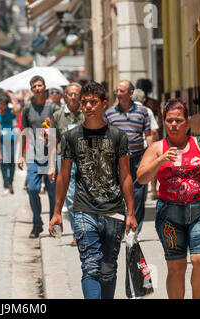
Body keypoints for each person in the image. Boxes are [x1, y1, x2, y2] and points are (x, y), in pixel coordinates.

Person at [49, 81, 138, 299]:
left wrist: (131, 212)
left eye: (93, 102)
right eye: (84, 102)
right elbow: (63, 175)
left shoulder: (118, 136)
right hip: (83, 210)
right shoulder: (72, 137)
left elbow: (126, 176)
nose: (88, 106)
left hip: (114, 211)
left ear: (104, 104)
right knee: (90, 265)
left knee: (108, 270)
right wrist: (57, 212)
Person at [137, 98, 200, 299]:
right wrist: (160, 160)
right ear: (164, 122)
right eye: (169, 120)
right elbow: (142, 177)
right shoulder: (158, 148)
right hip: (169, 215)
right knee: (176, 267)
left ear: (187, 121)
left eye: (178, 120)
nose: (174, 125)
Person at [105, 80, 152, 234]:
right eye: (117, 91)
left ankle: (134, 230)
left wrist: (151, 156)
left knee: (138, 194)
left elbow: (149, 134)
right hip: (117, 160)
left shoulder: (142, 111)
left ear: (131, 93)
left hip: (138, 157)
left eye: (121, 91)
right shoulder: (109, 113)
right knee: (118, 192)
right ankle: (121, 225)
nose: (118, 94)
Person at [18, 75, 60, 238]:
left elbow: (61, 131)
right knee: (32, 189)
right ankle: (37, 223)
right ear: (31, 89)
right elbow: (23, 132)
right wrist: (20, 155)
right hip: (34, 156)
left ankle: (53, 225)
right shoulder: (28, 109)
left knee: (52, 193)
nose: (37, 88)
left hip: (52, 156)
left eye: (39, 85)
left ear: (44, 87)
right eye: (34, 86)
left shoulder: (54, 108)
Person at [47, 83, 84, 246]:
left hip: (84, 159)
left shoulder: (86, 114)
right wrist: (51, 165)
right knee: (69, 197)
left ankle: (88, 229)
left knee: (85, 194)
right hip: (64, 160)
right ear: (65, 96)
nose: (74, 97)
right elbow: (53, 142)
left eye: (77, 94)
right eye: (71, 94)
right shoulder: (57, 116)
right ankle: (78, 233)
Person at [132, 88, 160, 199]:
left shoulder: (126, 110)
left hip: (129, 149)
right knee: (150, 169)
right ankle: (153, 189)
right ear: (143, 99)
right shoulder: (146, 110)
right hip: (143, 147)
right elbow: (153, 131)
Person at [0, 93, 19, 195]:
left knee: (11, 162)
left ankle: (10, 182)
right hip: (0, 140)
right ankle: (6, 185)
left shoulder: (10, 112)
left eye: (5, 104)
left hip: (10, 139)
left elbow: (17, 110)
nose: (3, 106)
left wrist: (11, 96)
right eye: (1, 103)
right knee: (3, 162)